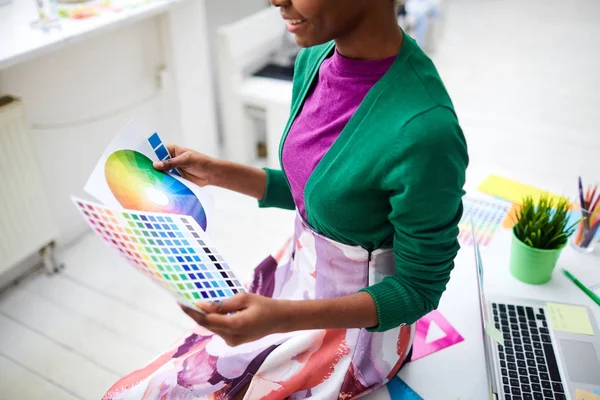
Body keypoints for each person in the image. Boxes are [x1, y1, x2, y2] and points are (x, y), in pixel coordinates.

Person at [102, 0, 468, 398]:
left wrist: (279, 320)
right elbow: (318, 196)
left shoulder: (424, 131)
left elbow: (418, 290)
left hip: (354, 337)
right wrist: (219, 172)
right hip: (294, 282)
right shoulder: (313, 58)